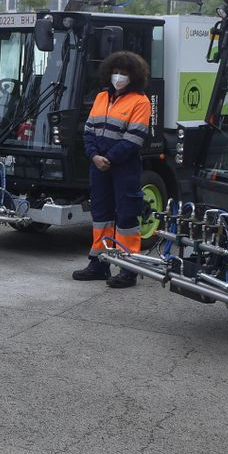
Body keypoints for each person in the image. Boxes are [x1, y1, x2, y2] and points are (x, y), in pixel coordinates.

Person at [72, 51, 152, 287]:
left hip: (124, 167)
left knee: (127, 216)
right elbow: (88, 131)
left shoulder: (140, 101)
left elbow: (134, 138)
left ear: (133, 76)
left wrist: (107, 159)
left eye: (124, 73)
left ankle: (128, 269)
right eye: (116, 72)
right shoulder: (101, 97)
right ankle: (99, 264)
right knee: (101, 216)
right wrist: (94, 156)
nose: (118, 77)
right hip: (99, 166)